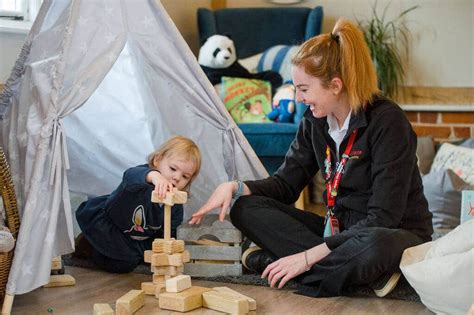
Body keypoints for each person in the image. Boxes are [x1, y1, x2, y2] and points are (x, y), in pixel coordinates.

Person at [189, 18, 433, 298]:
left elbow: (383, 218)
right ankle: (361, 275)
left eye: (304, 89)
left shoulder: (388, 122)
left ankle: (270, 262)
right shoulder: (314, 121)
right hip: (339, 235)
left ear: (336, 85)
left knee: (374, 246)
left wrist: (306, 257)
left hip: (391, 234)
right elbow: (285, 185)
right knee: (243, 207)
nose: (299, 97)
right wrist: (235, 187)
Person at [76, 136, 201, 273]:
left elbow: (169, 230)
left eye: (185, 177)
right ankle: (89, 246)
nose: (177, 178)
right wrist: (154, 176)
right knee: (112, 262)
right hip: (112, 226)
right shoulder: (141, 179)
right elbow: (130, 176)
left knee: (128, 264)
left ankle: (122, 255)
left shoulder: (174, 204)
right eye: (172, 169)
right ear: (157, 160)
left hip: (136, 238)